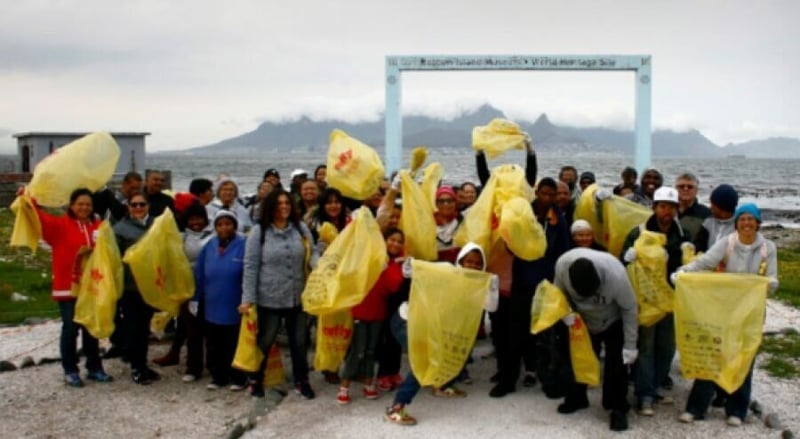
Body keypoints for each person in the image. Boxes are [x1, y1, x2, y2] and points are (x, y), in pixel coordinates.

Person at [676, 203, 778, 427]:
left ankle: (737, 410)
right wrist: (684, 273)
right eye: (743, 219)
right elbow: (705, 262)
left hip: (750, 314)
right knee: (713, 355)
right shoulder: (727, 243)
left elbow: (772, 277)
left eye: (751, 219)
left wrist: (769, 284)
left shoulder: (768, 248)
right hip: (723, 312)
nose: (747, 223)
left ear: (758, 223)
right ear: (737, 223)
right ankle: (696, 408)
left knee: (744, 359)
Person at [384, 242, 499, 425]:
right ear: (460, 260)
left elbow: (491, 306)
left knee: (448, 352)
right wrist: (411, 263)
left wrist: (492, 287)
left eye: (478, 263)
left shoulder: (477, 285)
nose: (473, 266)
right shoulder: (446, 271)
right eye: (468, 261)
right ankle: (397, 407)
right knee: (423, 361)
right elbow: (409, 271)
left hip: (433, 328)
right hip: (407, 322)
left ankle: (441, 385)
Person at [20, 186, 112, 387]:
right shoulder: (59, 226)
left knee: (91, 329)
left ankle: (94, 368)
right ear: (71, 205)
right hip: (68, 288)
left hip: (92, 288)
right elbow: (38, 219)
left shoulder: (99, 227)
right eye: (80, 204)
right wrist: (28, 200)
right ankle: (70, 370)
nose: (84, 207)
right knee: (70, 328)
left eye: (88, 204)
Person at [491, 177, 570, 398]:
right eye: (544, 193)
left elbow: (563, 251)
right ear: (537, 192)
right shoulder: (525, 213)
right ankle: (507, 381)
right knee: (514, 334)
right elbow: (509, 240)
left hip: (546, 284)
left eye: (552, 195)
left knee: (545, 336)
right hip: (522, 282)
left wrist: (560, 285)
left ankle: (549, 380)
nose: (547, 198)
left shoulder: (558, 219)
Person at [239, 189, 319, 400]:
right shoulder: (260, 232)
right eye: (279, 203)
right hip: (269, 297)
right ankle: (256, 378)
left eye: (287, 203)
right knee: (265, 340)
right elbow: (251, 266)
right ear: (270, 207)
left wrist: (321, 268)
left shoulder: (301, 229)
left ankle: (301, 380)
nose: (283, 206)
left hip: (298, 296)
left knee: (300, 341)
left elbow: (313, 253)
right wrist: (248, 298)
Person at [620, 186, 690, 415]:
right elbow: (623, 262)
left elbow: (692, 263)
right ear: (654, 208)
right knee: (646, 347)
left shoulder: (682, 235)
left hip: (672, 300)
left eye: (671, 207)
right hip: (647, 300)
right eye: (662, 206)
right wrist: (626, 257)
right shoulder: (638, 232)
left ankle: (656, 384)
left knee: (667, 347)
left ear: (677, 209)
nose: (667, 211)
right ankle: (644, 395)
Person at [554, 250, 638, 432]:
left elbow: (630, 308)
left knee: (617, 364)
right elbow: (557, 296)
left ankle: (617, 407)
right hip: (581, 320)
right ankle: (577, 398)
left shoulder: (616, 275)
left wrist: (630, 346)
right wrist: (564, 313)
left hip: (612, 320)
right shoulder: (562, 265)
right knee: (578, 359)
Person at [336, 228, 406, 404]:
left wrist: (391, 267)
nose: (395, 244)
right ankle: (344, 387)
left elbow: (393, 287)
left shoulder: (396, 265)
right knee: (357, 351)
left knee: (371, 350)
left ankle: (369, 384)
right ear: (384, 240)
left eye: (399, 241)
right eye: (392, 239)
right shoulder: (370, 256)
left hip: (378, 313)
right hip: (361, 310)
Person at [152, 203, 213, 379]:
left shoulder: (214, 234)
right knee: (193, 331)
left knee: (212, 330)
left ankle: (214, 365)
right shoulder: (180, 237)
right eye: (192, 219)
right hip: (189, 290)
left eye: (199, 218)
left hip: (211, 289)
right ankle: (193, 368)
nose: (196, 222)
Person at [191, 210, 247, 391]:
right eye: (220, 224)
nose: (224, 228)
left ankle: (238, 376)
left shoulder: (244, 244)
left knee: (234, 341)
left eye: (228, 224)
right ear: (215, 227)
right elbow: (199, 272)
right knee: (214, 342)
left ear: (235, 226)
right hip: (212, 303)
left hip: (235, 303)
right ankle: (218, 376)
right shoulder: (209, 245)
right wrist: (195, 298)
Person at [114, 192, 160, 385]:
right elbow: (115, 259)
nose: (138, 208)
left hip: (150, 286)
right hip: (130, 287)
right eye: (134, 205)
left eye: (142, 204)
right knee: (133, 328)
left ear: (148, 206)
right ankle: (136, 366)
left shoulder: (157, 225)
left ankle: (143, 363)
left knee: (145, 327)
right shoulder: (120, 229)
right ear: (128, 206)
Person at [694, 184, 739, 252]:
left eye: (713, 205)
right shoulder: (708, 222)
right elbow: (699, 246)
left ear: (722, 208)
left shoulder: (738, 226)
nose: (710, 207)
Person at [675, 173, 711, 241]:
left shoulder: (707, 214)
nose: (685, 189)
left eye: (690, 187)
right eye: (681, 186)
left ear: (696, 191)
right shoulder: (668, 211)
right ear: (675, 189)